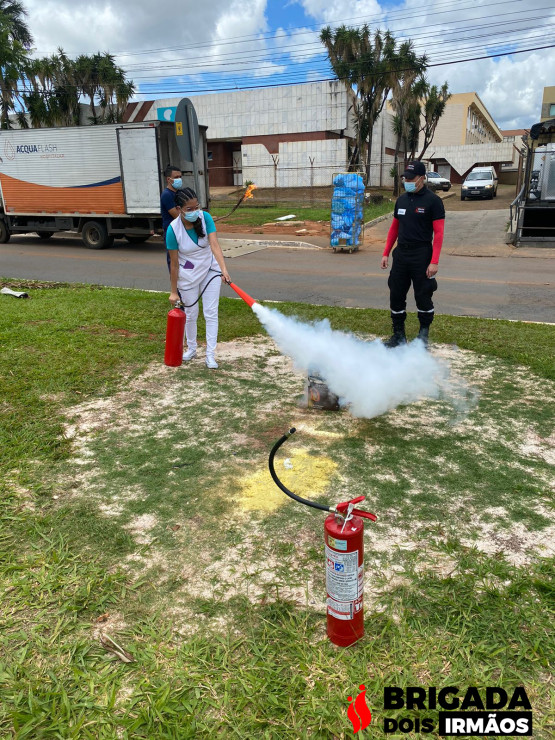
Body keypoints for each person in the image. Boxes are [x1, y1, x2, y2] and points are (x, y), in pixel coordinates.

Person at [380, 161, 446, 347]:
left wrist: (434, 262)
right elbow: (394, 228)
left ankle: (422, 337)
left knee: (423, 295)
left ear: (422, 178)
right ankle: (398, 336)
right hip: (401, 254)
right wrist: (386, 253)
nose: (407, 181)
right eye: (405, 178)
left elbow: (439, 234)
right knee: (396, 294)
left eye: (411, 178)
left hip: (422, 254)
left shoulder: (433, 201)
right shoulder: (401, 200)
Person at [167, 188, 231, 369]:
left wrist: (223, 269)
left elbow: (214, 244)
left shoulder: (205, 218)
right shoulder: (173, 230)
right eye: (190, 208)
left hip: (210, 268)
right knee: (191, 314)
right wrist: (173, 291)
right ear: (179, 209)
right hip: (187, 275)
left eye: (197, 206)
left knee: (211, 313)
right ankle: (192, 348)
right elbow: (174, 263)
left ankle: (210, 355)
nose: (195, 211)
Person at [161, 164, 182, 269]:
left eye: (180, 177)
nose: (179, 179)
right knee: (174, 262)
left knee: (183, 261)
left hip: (180, 232)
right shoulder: (167, 195)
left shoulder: (178, 193)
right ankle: (175, 283)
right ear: (169, 179)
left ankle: (184, 282)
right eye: (176, 177)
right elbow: (177, 215)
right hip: (172, 233)